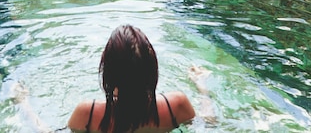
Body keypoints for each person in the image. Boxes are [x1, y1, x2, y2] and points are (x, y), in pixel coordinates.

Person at [67, 25, 207, 133]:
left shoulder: (88, 114)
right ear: (152, 71)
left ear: (109, 74)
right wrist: (202, 86)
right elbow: (208, 122)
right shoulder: (176, 106)